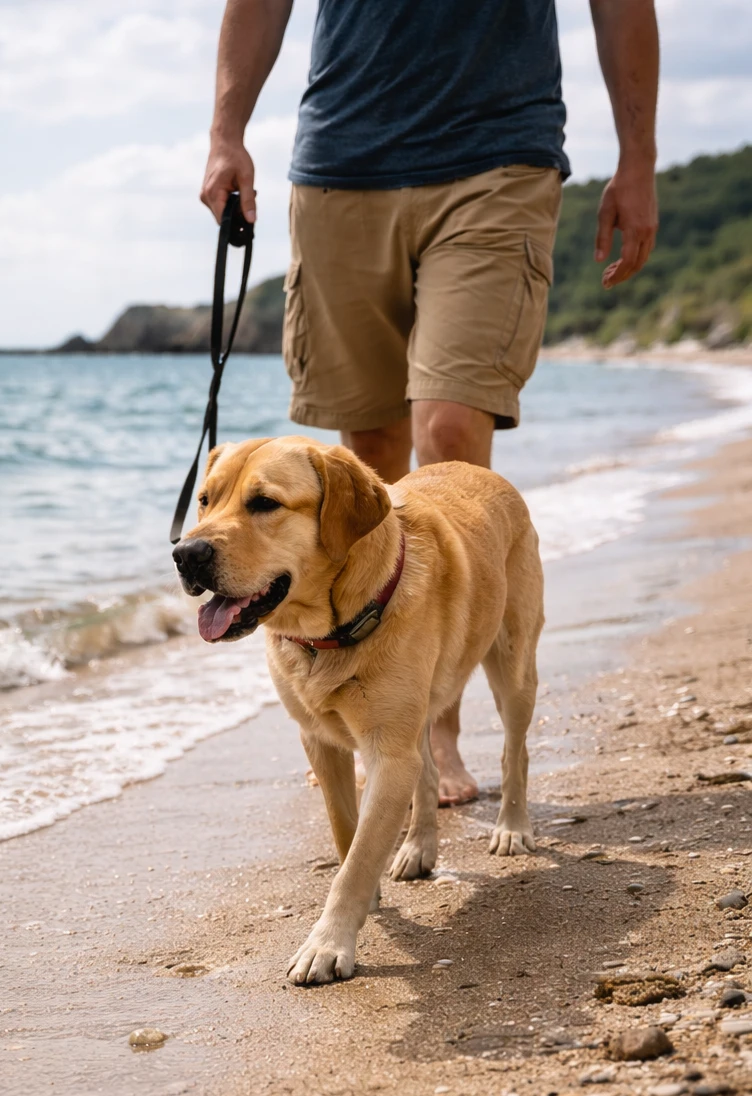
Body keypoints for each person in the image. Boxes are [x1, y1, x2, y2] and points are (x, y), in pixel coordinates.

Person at [201, 0, 659, 805]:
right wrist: (226, 132)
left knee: (448, 429)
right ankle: (376, 714)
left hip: (499, 158)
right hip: (343, 161)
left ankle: (426, 729)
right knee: (365, 467)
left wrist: (638, 158)